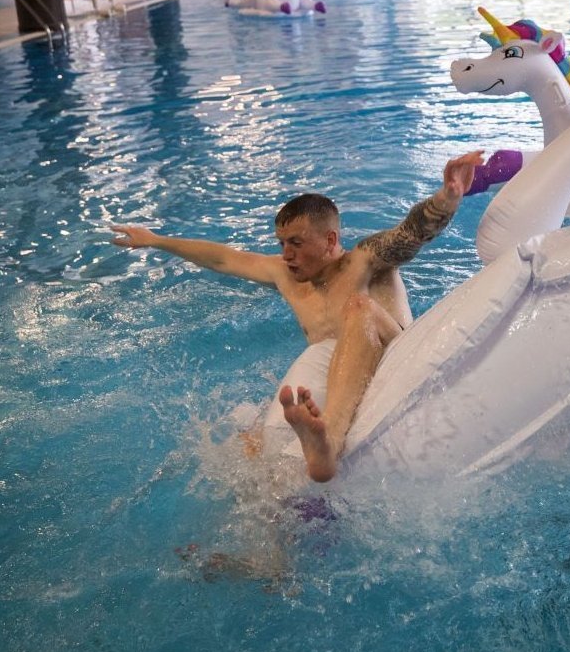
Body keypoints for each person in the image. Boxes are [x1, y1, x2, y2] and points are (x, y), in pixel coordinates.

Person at [111, 151, 482, 482]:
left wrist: (445, 199)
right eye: (282, 243)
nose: (286, 254)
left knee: (358, 307)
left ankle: (329, 441)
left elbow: (411, 233)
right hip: (340, 370)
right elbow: (222, 258)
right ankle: (264, 556)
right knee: (250, 444)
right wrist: (156, 240)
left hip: (394, 359)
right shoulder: (286, 275)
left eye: (297, 244)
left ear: (331, 240)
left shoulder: (364, 262)